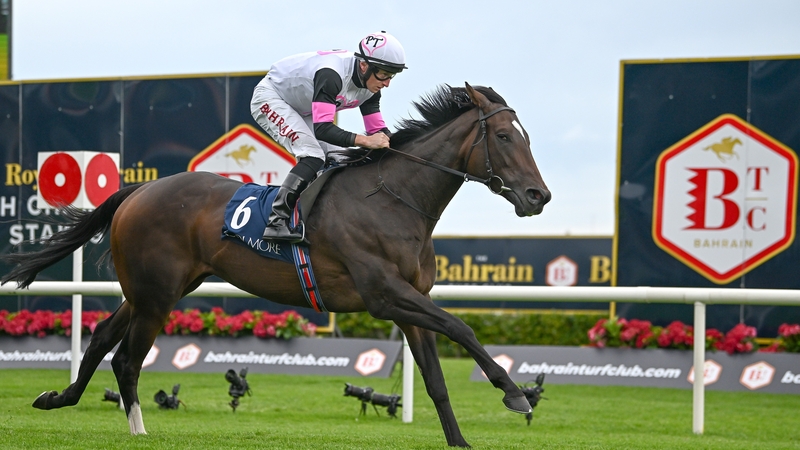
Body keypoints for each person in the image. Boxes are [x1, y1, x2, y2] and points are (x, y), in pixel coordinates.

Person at [250, 31, 407, 244]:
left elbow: (377, 131)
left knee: (339, 158)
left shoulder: (371, 86)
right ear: (364, 65)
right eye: (385, 74)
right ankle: (277, 221)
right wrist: (366, 141)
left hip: (303, 108)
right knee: (313, 156)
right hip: (272, 98)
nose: (387, 83)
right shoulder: (331, 75)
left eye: (392, 76)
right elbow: (323, 129)